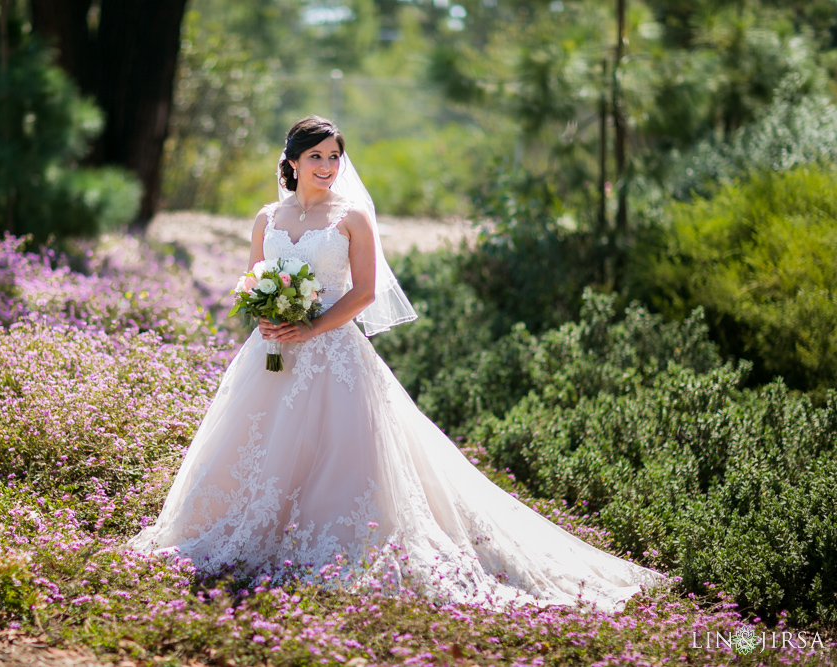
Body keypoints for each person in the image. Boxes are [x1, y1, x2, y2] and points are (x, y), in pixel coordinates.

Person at [129, 116, 664, 611]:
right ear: (291, 161)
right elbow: (253, 278)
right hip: (270, 351)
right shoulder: (268, 216)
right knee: (256, 447)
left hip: (332, 350)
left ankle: (337, 549)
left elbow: (364, 293)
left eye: (334, 156)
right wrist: (265, 314)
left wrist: (311, 325)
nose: (326, 166)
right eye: (315, 155)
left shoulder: (352, 217)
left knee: (338, 455)